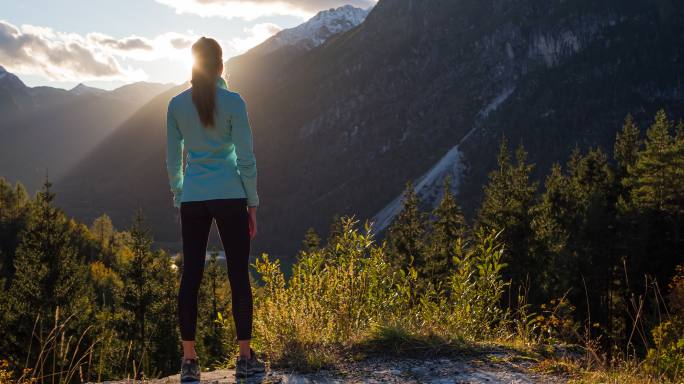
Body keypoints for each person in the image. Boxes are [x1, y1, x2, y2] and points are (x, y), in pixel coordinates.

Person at [166, 36, 266, 382]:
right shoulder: (234, 102)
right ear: (222, 66)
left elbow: (172, 160)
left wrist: (180, 195)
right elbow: (247, 158)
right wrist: (251, 203)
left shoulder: (176, 105)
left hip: (194, 197)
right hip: (230, 194)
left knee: (190, 276)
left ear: (193, 66)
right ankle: (245, 358)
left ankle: (189, 361)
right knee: (238, 274)